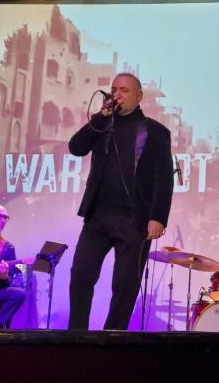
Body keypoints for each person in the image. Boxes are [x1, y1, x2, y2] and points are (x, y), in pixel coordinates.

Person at [67, 72, 174, 330]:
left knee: (125, 286)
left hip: (133, 220)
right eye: (114, 89)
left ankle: (113, 337)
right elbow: (76, 147)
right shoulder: (102, 124)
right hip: (98, 216)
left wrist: (158, 217)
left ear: (139, 96)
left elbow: (164, 178)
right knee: (81, 274)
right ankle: (76, 336)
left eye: (124, 90)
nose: (117, 95)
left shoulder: (156, 132)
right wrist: (100, 118)